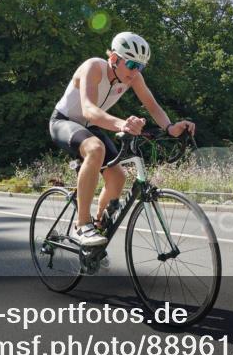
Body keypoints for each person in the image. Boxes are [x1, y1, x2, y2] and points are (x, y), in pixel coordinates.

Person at [49, 32, 195, 246]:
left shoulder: (133, 77)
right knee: (95, 148)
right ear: (115, 59)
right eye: (132, 64)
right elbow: (89, 110)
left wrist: (171, 127)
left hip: (91, 126)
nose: (136, 71)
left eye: (141, 66)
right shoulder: (94, 67)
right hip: (63, 121)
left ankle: (97, 228)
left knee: (118, 177)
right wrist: (122, 124)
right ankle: (82, 225)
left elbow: (151, 105)